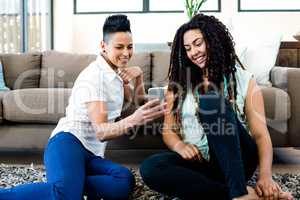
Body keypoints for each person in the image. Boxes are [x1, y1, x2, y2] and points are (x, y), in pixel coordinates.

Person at [0, 14, 166, 200]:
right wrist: (135, 119)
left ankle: (71, 181)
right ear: (103, 46)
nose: (126, 53)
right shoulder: (95, 77)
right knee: (66, 196)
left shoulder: (116, 73)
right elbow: (102, 132)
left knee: (123, 181)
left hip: (91, 154)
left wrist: (138, 76)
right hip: (67, 143)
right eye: (119, 47)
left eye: (130, 46)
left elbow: (137, 100)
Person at [140, 14, 293, 200]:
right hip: (200, 163)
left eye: (198, 43)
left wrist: (266, 176)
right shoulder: (178, 85)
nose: (193, 52)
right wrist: (179, 145)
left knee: (211, 101)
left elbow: (260, 135)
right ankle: (243, 196)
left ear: (214, 40)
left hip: (238, 160)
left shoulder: (245, 80)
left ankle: (238, 191)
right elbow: (168, 131)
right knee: (150, 168)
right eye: (187, 48)